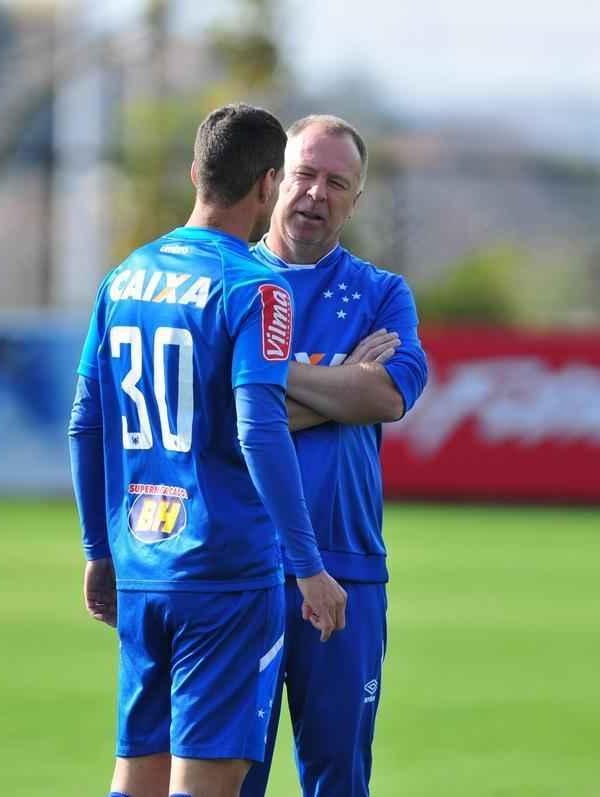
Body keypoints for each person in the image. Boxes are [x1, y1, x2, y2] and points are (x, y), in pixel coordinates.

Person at [67, 103, 348, 797]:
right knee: (203, 785)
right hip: (224, 572)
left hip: (141, 565)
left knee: (136, 779)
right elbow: (260, 427)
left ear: (197, 173)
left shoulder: (124, 277)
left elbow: (85, 423)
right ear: (267, 186)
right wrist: (308, 565)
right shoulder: (256, 287)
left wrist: (98, 550)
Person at [240, 115, 429, 797]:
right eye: (304, 175)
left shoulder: (381, 293)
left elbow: (383, 396)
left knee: (339, 780)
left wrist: (258, 380)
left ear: (356, 198)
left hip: (347, 567)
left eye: (336, 182)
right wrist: (337, 380)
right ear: (273, 182)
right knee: (227, 778)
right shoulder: (227, 280)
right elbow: (215, 420)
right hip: (239, 572)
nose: (316, 193)